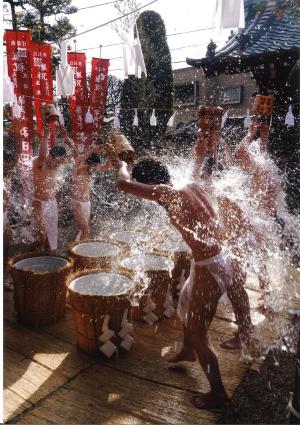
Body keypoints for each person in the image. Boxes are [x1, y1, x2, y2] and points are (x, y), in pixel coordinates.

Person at [115, 156, 253, 409]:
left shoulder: (166, 193)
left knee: (200, 332)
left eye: (144, 185)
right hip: (218, 258)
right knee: (186, 304)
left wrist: (122, 165)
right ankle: (188, 351)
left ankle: (218, 392)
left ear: (148, 182)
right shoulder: (186, 184)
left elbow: (122, 184)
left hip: (209, 265)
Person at [32, 121, 76, 251]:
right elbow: (42, 154)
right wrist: (46, 135)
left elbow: (75, 155)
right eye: (56, 160)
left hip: (51, 203)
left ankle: (48, 257)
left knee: (51, 236)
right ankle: (33, 254)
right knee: (41, 234)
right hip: (39, 202)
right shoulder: (40, 163)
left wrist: (67, 138)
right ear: (50, 156)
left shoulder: (57, 164)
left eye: (60, 161)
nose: (57, 163)